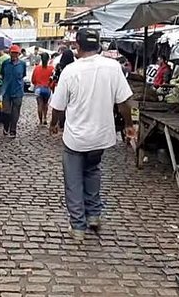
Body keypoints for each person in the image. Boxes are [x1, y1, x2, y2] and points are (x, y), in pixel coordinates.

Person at [49, 28, 134, 240]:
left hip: (76, 137)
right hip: (101, 136)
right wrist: (129, 124)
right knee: (93, 171)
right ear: (98, 45)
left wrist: (54, 124)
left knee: (74, 180)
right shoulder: (113, 67)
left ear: (77, 45)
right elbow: (124, 101)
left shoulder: (70, 70)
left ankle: (78, 226)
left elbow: (58, 106)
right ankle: (94, 214)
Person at [0, 45, 26, 138]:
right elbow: (2, 74)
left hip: (18, 91)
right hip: (6, 91)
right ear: (9, 53)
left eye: (16, 53)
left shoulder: (22, 64)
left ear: (19, 54)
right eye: (12, 53)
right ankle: (6, 127)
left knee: (15, 112)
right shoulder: (5, 63)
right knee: (6, 111)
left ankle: (13, 130)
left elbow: (23, 75)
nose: (14, 55)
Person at [50, 49, 75, 129]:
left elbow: (54, 76)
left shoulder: (59, 66)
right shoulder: (74, 66)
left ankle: (61, 122)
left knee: (60, 105)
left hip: (59, 87)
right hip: (72, 87)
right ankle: (67, 122)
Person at [32, 53, 54, 126]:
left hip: (38, 88)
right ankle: (45, 118)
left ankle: (40, 121)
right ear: (48, 59)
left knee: (39, 105)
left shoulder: (37, 68)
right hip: (47, 88)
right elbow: (53, 79)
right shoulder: (51, 68)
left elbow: (33, 80)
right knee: (45, 104)